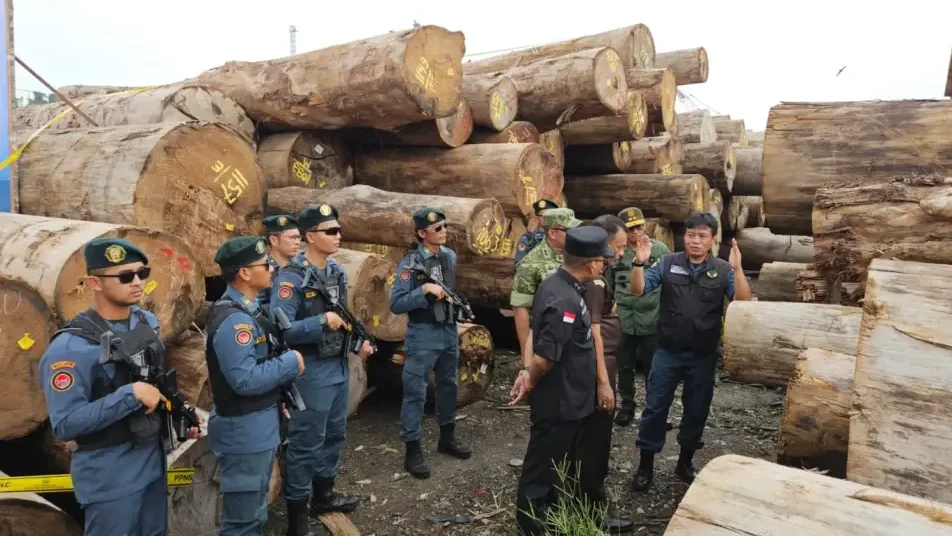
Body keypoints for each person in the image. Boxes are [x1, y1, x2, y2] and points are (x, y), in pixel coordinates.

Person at [39, 237, 202, 536]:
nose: (137, 282)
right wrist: (130, 395)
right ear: (94, 283)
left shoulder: (145, 321)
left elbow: (156, 380)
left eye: (143, 273)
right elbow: (65, 424)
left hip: (152, 458)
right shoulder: (70, 349)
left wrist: (178, 419)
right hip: (110, 471)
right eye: (125, 276)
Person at [270, 204, 374, 535]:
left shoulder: (336, 273)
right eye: (331, 231)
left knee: (335, 433)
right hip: (310, 369)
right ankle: (298, 516)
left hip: (338, 365)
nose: (338, 235)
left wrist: (357, 344)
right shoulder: (290, 278)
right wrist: (320, 322)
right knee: (306, 442)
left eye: (338, 229)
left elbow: (341, 320)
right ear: (310, 237)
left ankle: (324, 495)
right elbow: (280, 329)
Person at [628, 212, 751, 492]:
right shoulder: (669, 263)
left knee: (696, 411)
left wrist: (738, 269)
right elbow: (638, 289)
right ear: (685, 236)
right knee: (655, 409)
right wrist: (638, 262)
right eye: (691, 235)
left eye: (702, 236)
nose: (695, 241)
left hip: (702, 357)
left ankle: (684, 463)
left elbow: (743, 301)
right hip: (667, 353)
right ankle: (645, 465)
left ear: (712, 240)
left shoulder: (722, 269)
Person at [509, 226, 612, 536]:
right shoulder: (564, 299)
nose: (604, 265)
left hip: (569, 399)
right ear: (592, 264)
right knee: (541, 468)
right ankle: (529, 525)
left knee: (557, 464)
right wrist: (529, 377)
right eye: (602, 261)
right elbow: (545, 356)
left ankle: (551, 514)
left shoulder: (564, 284)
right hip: (558, 401)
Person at [205, 236, 307, 536]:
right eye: (266, 264)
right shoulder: (235, 321)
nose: (273, 269)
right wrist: (290, 363)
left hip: (258, 426)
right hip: (244, 431)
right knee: (243, 522)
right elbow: (244, 379)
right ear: (245, 273)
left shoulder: (250, 311)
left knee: (256, 513)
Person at [390, 207, 472, 479]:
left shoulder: (449, 257)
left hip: (449, 330)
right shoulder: (409, 264)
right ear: (422, 233)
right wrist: (423, 291)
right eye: (437, 229)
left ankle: (447, 437)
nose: (443, 232)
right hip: (423, 333)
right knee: (416, 391)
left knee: (449, 385)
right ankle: (412, 450)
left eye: (445, 226)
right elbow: (397, 303)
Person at [574, 215, 632, 533]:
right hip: (600, 364)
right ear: (604, 243)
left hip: (601, 362)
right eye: (619, 246)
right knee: (597, 437)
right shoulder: (595, 282)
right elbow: (594, 331)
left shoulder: (598, 274)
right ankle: (593, 508)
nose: (622, 252)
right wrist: (604, 382)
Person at [611, 207, 671, 427]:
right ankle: (627, 406)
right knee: (624, 366)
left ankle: (655, 410)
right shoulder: (617, 253)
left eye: (639, 226)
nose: (636, 232)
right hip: (624, 319)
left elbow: (670, 283)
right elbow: (609, 282)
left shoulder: (660, 250)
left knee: (653, 368)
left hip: (652, 319)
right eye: (630, 228)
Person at [510, 208, 582, 365]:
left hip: (577, 337)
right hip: (547, 340)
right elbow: (520, 308)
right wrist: (526, 354)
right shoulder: (531, 263)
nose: (574, 234)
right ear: (553, 233)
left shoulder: (577, 256)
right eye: (569, 230)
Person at [257, 214, 301, 313]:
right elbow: (256, 307)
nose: (297, 242)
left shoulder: (301, 267)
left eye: (298, 237)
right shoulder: (261, 269)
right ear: (274, 240)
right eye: (292, 237)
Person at [514, 198, 560, 266]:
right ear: (537, 218)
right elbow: (519, 266)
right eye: (544, 216)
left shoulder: (561, 239)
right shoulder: (528, 240)